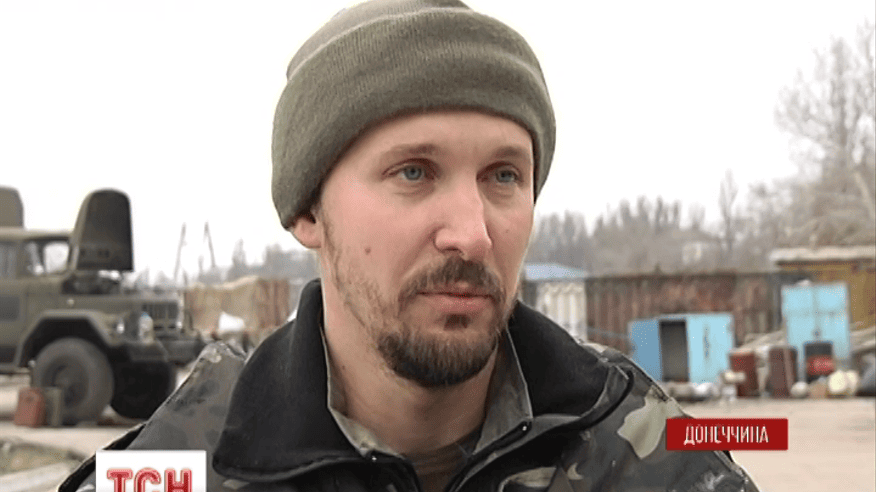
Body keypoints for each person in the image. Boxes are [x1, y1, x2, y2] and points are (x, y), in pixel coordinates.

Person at [62, 1, 760, 491]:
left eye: (504, 176)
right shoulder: (179, 469)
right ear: (307, 211)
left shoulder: (648, 454)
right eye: (414, 173)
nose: (473, 233)